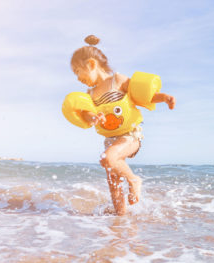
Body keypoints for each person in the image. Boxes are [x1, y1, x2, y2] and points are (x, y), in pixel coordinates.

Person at [69, 35, 175, 215]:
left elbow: (143, 96)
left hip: (130, 136)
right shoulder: (90, 93)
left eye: (78, 71)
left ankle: (134, 180)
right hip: (110, 140)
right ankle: (120, 223)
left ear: (92, 64)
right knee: (114, 185)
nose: (78, 78)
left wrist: (164, 97)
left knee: (107, 159)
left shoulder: (117, 80)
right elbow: (86, 113)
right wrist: (93, 117)